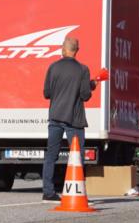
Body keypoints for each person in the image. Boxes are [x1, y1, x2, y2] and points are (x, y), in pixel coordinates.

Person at [41, 37, 97, 201]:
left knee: (51, 155)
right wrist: (92, 85)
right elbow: (85, 95)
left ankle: (48, 192)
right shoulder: (83, 70)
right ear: (76, 50)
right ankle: (76, 190)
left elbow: (46, 93)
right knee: (77, 156)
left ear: (63, 49)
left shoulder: (53, 67)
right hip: (74, 119)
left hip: (55, 117)